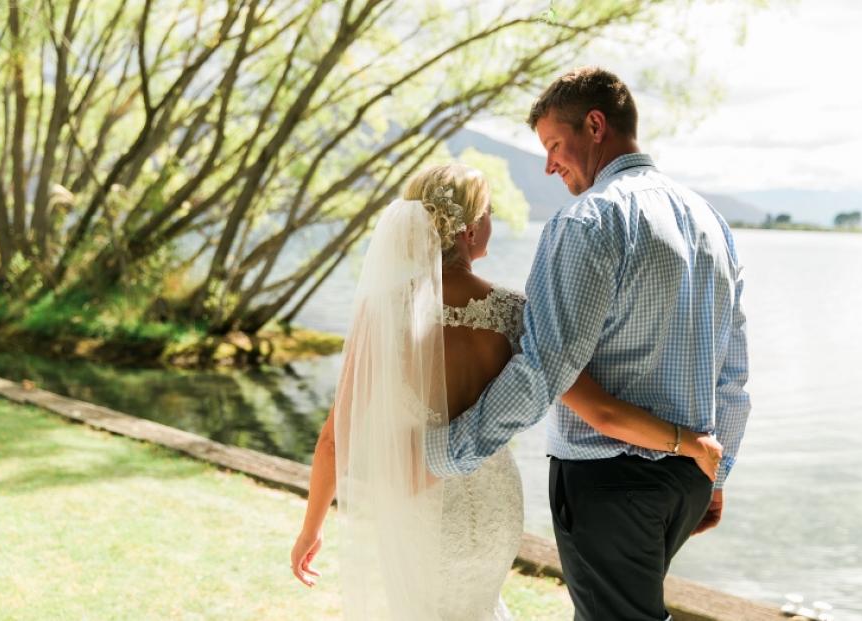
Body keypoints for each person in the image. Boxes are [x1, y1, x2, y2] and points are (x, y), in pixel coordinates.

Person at [290, 162, 723, 620]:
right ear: (471, 230)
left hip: (417, 500)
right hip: (493, 503)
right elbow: (600, 412)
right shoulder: (514, 312)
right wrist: (686, 442)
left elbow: (335, 439)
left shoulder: (380, 312)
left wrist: (311, 528)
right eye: (490, 213)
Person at [425, 67, 752, 621]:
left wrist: (449, 451)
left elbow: (543, 368)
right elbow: (733, 375)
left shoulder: (588, 220)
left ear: (595, 125)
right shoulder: (711, 223)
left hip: (608, 482)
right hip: (686, 481)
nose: (549, 164)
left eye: (554, 145)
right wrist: (714, 477)